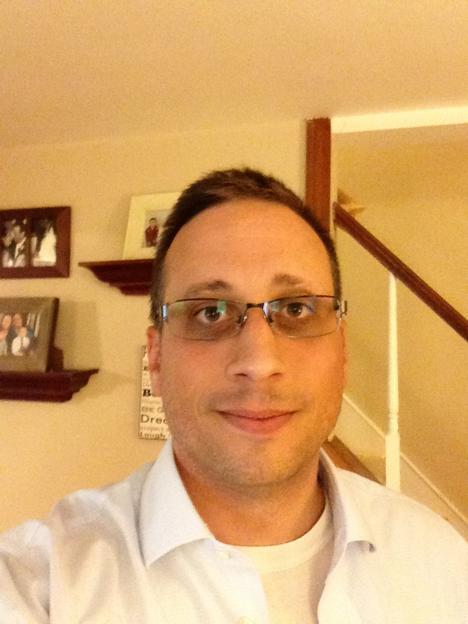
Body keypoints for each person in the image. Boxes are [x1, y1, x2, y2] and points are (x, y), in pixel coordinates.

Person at [0, 168, 466, 623]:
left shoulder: (441, 562)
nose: (259, 362)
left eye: (296, 309)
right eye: (210, 312)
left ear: (341, 352)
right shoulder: (39, 586)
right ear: (156, 358)